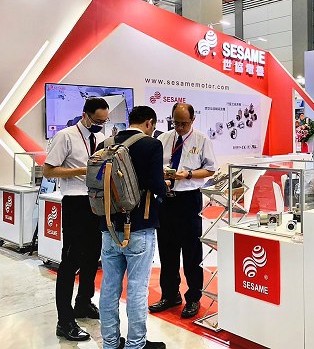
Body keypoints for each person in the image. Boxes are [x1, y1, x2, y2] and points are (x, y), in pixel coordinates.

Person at [96, 106, 167, 349]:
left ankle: (110, 343)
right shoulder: (151, 145)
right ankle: (136, 344)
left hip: (109, 226)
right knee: (137, 288)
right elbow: (156, 184)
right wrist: (165, 187)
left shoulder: (105, 144)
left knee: (109, 287)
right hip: (139, 226)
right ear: (149, 123)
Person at [43, 97, 109, 341]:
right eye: (97, 120)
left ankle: (83, 302)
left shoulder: (102, 139)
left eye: (104, 121)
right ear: (85, 115)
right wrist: (83, 170)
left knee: (92, 257)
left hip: (97, 202)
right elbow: (49, 170)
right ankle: (65, 320)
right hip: (76, 202)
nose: (100, 125)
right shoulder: (66, 136)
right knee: (70, 262)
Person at [149, 103, 217, 319]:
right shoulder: (163, 139)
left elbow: (210, 169)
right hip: (166, 199)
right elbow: (154, 166)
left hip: (189, 199)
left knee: (191, 252)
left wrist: (188, 174)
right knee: (167, 250)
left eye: (183, 123)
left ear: (192, 120)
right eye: (175, 123)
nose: (179, 127)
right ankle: (170, 295)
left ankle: (194, 297)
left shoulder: (201, 140)